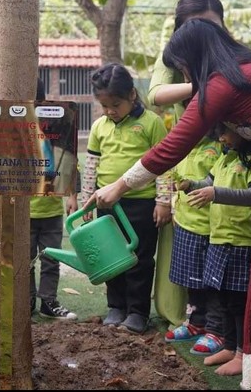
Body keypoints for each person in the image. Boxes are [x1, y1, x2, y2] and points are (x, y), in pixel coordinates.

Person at [84, 17, 251, 390]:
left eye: (184, 68)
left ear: (194, 60)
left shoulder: (225, 82)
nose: (186, 76)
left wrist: (120, 186)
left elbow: (174, 145)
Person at [148, 0, 227, 329]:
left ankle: (223, 323)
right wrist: (204, 88)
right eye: (194, 25)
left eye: (210, 25)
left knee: (227, 240)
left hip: (230, 158)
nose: (203, 34)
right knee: (188, 244)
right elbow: (156, 96)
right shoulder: (174, 57)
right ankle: (189, 316)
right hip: (190, 155)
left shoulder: (232, 53)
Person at [81, 63, 172, 334]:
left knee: (139, 259)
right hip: (106, 204)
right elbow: (91, 167)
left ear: (132, 95)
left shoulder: (151, 123)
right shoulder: (99, 127)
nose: (110, 111)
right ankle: (116, 307)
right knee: (112, 258)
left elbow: (164, 164)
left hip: (141, 204)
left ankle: (137, 312)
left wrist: (163, 201)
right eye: (104, 105)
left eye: (115, 105)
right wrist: (88, 200)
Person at [178, 125, 251, 376]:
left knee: (239, 302)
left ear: (244, 131)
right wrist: (191, 184)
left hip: (242, 241)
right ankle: (228, 346)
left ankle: (241, 352)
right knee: (225, 299)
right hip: (219, 238)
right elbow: (208, 182)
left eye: (225, 131)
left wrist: (215, 193)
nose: (220, 137)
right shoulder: (226, 157)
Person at [163, 129, 223, 347]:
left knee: (213, 283)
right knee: (192, 280)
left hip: (212, 227)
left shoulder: (219, 146)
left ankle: (216, 329)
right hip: (185, 222)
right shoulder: (183, 145)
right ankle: (196, 322)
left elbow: (215, 183)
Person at [30, 77, 78, 320]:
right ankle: (25, 302)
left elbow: (70, 159)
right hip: (23, 211)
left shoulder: (55, 122)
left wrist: (73, 195)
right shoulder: (10, 126)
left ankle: (48, 301)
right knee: (23, 260)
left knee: (51, 259)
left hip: (50, 209)